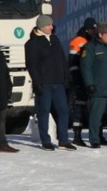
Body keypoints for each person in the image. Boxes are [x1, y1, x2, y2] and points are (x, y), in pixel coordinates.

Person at [25, 15, 75, 151]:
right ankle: (45, 140)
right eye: (48, 25)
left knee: (63, 110)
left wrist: (66, 75)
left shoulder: (55, 39)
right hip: (44, 84)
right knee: (44, 112)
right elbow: (31, 65)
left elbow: (62, 59)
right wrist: (37, 82)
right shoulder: (32, 43)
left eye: (51, 25)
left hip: (58, 82)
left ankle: (63, 140)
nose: (51, 27)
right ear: (41, 27)